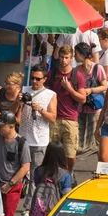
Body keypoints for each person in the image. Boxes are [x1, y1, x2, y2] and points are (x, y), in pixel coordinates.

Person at [17, 64, 57, 216]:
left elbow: (53, 118)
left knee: (35, 176)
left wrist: (40, 109)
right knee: (20, 174)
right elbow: (16, 113)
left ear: (44, 79)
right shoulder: (25, 90)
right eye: (32, 78)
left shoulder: (50, 94)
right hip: (23, 139)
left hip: (39, 142)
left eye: (38, 79)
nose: (34, 81)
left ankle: (28, 208)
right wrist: (19, 102)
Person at [45, 45, 87, 173]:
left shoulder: (77, 75)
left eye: (66, 58)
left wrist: (69, 88)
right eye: (62, 57)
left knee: (70, 154)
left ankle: (69, 174)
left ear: (71, 58)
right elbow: (44, 93)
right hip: (54, 119)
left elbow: (82, 99)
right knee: (51, 152)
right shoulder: (51, 74)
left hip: (70, 119)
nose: (63, 60)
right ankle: (53, 174)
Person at [74, 43, 108, 153]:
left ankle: (98, 163)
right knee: (78, 137)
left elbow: (104, 86)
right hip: (80, 107)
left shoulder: (98, 68)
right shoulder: (76, 70)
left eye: (76, 54)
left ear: (83, 55)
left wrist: (91, 90)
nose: (74, 56)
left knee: (93, 137)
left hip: (94, 107)